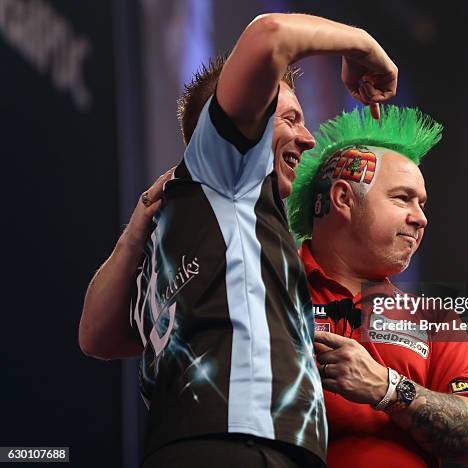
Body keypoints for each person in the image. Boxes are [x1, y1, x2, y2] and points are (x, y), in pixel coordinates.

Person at [78, 13, 398, 468]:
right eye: (290, 118)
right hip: (245, 448)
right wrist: (362, 45)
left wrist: (134, 236)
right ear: (239, 127)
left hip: (188, 449)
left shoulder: (181, 236)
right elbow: (270, 34)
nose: (308, 139)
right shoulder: (232, 167)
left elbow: (95, 338)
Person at [286, 105, 468, 467]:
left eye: (422, 203)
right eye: (403, 197)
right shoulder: (268, 289)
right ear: (343, 198)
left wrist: (387, 388)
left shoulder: (434, 320)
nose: (421, 218)